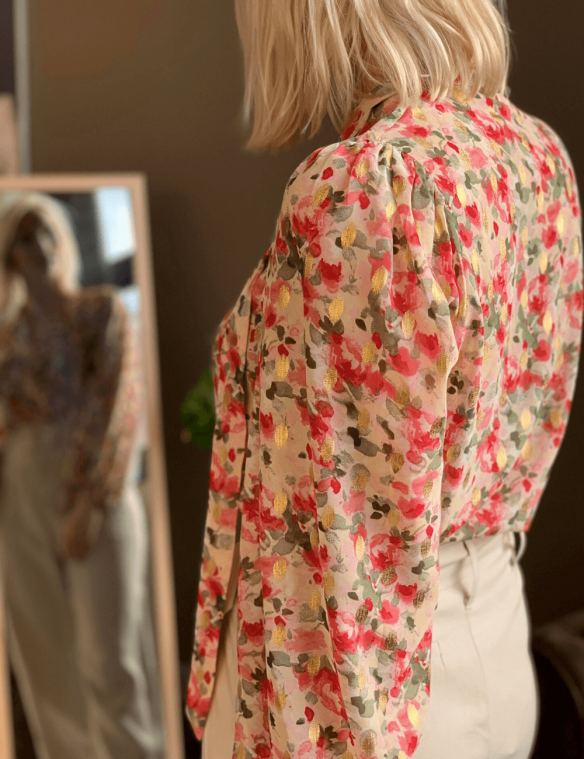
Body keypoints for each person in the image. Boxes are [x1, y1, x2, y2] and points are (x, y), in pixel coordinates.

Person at [186, 1, 584, 757]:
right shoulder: (530, 151)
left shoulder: (365, 186)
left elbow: (343, 543)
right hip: (493, 633)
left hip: (371, 692)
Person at [0, 192, 164, 759]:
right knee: (45, 664)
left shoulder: (100, 311)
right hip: (20, 491)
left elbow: (121, 405)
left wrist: (93, 501)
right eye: (23, 238)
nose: (37, 247)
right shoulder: (4, 338)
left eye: (44, 233)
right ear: (10, 255)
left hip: (98, 486)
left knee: (110, 662)